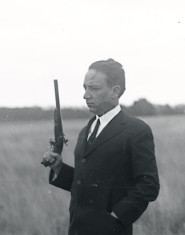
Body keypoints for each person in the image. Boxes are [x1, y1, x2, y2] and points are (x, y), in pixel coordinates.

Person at [42, 58, 160, 235]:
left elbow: (149, 185)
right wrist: (59, 168)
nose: (85, 95)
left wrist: (116, 217)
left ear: (115, 91)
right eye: (85, 88)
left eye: (94, 88)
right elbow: (86, 183)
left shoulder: (136, 130)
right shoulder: (86, 130)